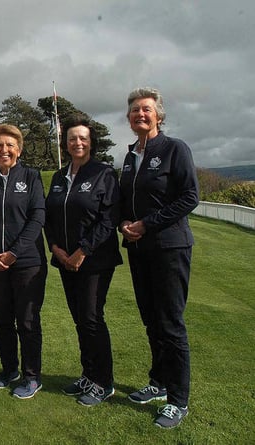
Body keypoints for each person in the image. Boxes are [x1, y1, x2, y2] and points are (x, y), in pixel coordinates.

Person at [119, 87, 199, 429]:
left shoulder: (174, 149)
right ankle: (159, 380)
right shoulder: (129, 156)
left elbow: (190, 196)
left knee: (170, 324)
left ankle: (177, 400)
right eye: (135, 109)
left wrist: (146, 224)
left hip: (169, 248)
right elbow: (126, 200)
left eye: (146, 109)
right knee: (151, 321)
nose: (140, 113)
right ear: (129, 118)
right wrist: (125, 223)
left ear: (158, 115)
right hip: (139, 251)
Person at [45, 114, 122, 407]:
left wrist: (82, 251)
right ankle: (88, 375)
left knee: (91, 318)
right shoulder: (58, 177)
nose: (77, 142)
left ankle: (103, 382)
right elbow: (49, 217)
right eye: (72, 138)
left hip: (94, 260)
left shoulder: (104, 173)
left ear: (91, 142)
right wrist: (55, 247)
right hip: (65, 260)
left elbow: (108, 218)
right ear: (65, 143)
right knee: (80, 320)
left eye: (83, 138)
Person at [0, 123, 47, 399]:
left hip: (27, 262)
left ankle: (32, 377)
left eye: (9, 145)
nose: (3, 150)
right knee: (1, 319)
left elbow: (37, 218)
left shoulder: (31, 177)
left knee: (28, 321)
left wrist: (14, 252)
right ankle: (10, 370)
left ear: (18, 149)